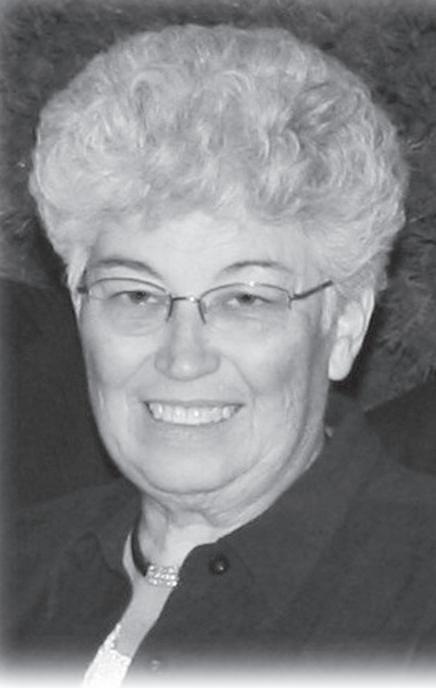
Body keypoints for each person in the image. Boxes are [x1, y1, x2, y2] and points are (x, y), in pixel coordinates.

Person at [4, 24, 436, 681]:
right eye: (136, 294)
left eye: (245, 300)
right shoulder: (20, 565)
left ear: (345, 323)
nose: (183, 359)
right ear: (78, 304)